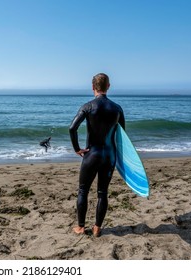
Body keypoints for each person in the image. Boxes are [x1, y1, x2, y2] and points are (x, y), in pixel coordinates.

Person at [69, 73, 125, 237]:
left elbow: (72, 128)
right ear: (108, 86)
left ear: (93, 87)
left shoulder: (87, 106)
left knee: (83, 190)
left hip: (91, 155)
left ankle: (80, 227)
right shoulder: (117, 109)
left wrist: (77, 148)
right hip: (109, 155)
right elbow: (122, 137)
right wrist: (121, 159)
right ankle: (97, 228)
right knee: (103, 192)